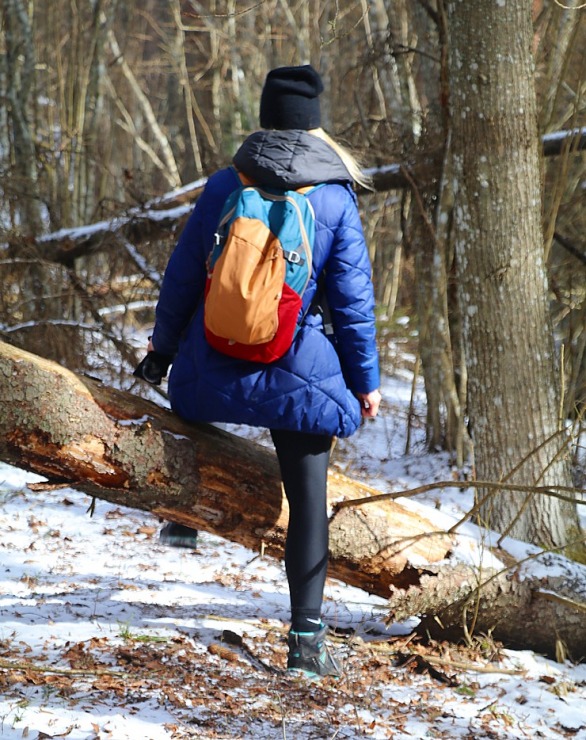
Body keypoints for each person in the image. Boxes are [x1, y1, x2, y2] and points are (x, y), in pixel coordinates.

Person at [141, 64, 381, 678]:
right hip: (297, 368)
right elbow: (352, 304)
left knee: (188, 413)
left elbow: (181, 279)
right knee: (307, 501)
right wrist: (365, 383)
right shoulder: (333, 195)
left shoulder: (227, 183)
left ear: (264, 117)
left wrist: (164, 354)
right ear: (315, 125)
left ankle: (181, 524)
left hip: (211, 365)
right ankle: (305, 644)